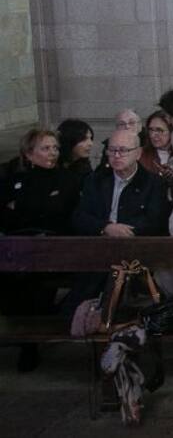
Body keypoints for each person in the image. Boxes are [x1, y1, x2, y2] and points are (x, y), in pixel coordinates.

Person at [0, 129, 82, 372]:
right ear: (29, 153)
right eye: (46, 148)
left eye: (55, 148)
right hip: (19, 249)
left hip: (55, 248)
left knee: (30, 279)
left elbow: (58, 213)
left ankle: (29, 344)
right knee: (15, 277)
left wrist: (22, 208)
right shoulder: (14, 180)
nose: (53, 153)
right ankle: (26, 335)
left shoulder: (67, 179)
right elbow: (6, 216)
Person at [73, 129, 170, 238]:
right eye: (112, 150)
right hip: (99, 243)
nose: (117, 155)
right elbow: (80, 217)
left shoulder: (154, 183)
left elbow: (155, 222)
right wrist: (105, 228)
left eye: (123, 150)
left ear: (138, 153)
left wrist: (123, 232)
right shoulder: (95, 180)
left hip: (136, 246)